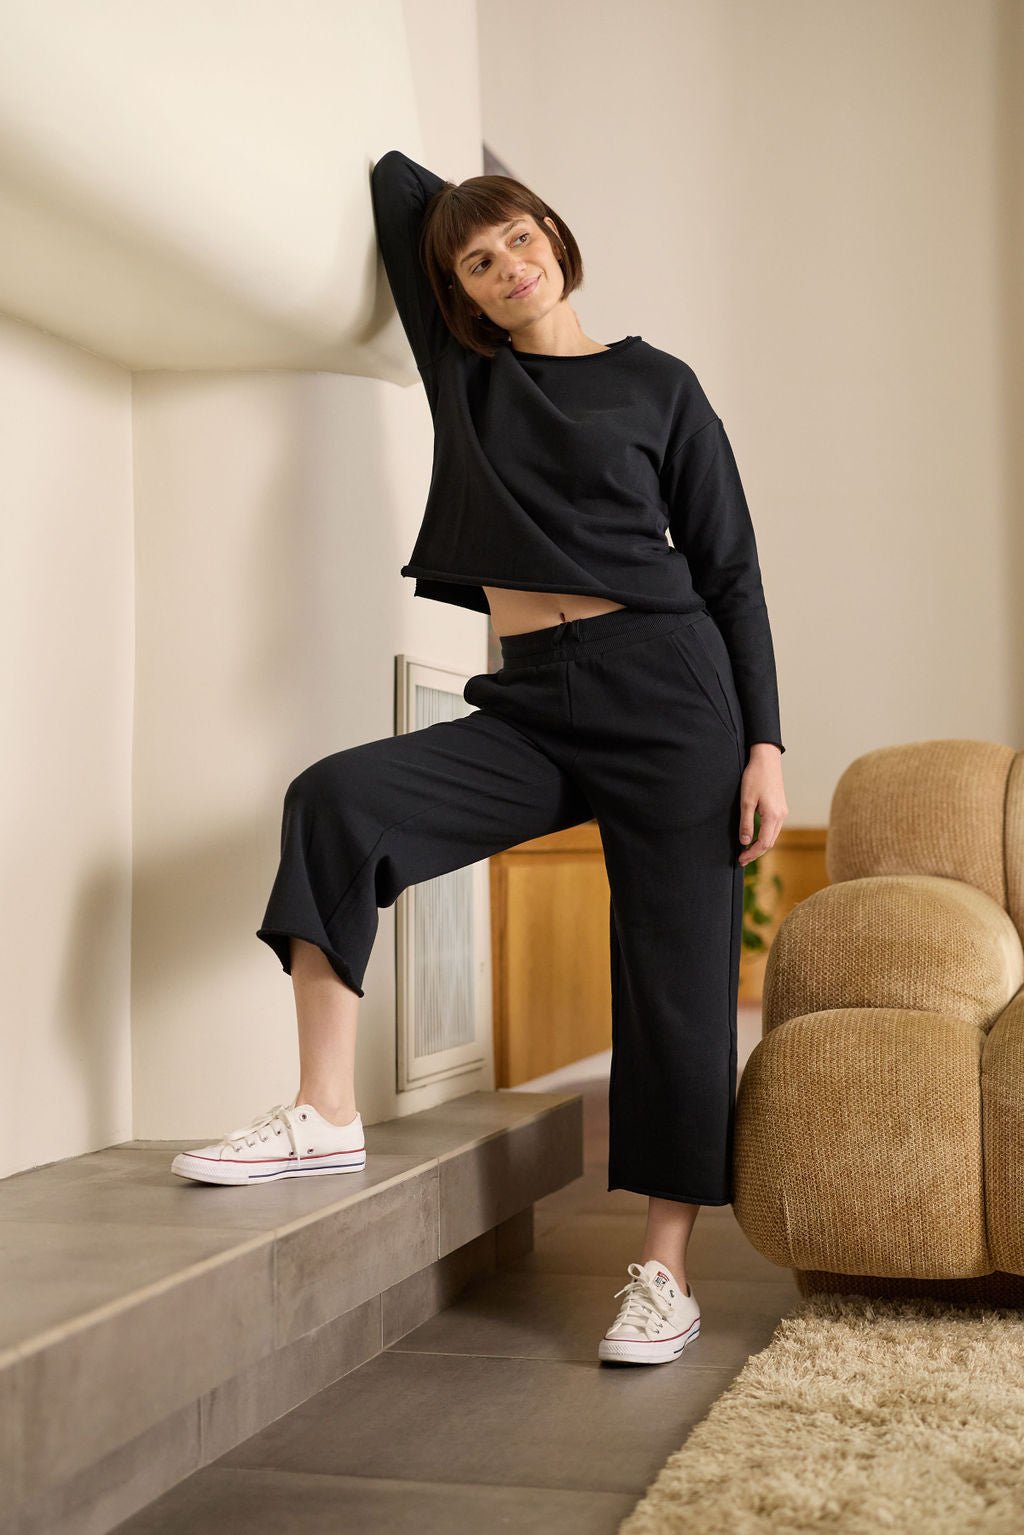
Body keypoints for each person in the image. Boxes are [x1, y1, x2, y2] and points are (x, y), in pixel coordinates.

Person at [172, 148, 788, 1366]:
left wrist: (764, 740)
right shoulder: (466, 371)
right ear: (455, 289)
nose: (510, 264)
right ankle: (326, 1107)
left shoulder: (657, 384)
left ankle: (662, 1274)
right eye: (479, 257)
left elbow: (730, 570)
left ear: (557, 232)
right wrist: (460, 210)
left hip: (671, 696)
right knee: (340, 800)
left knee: (673, 974)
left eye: (520, 237)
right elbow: (402, 186)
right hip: (528, 699)